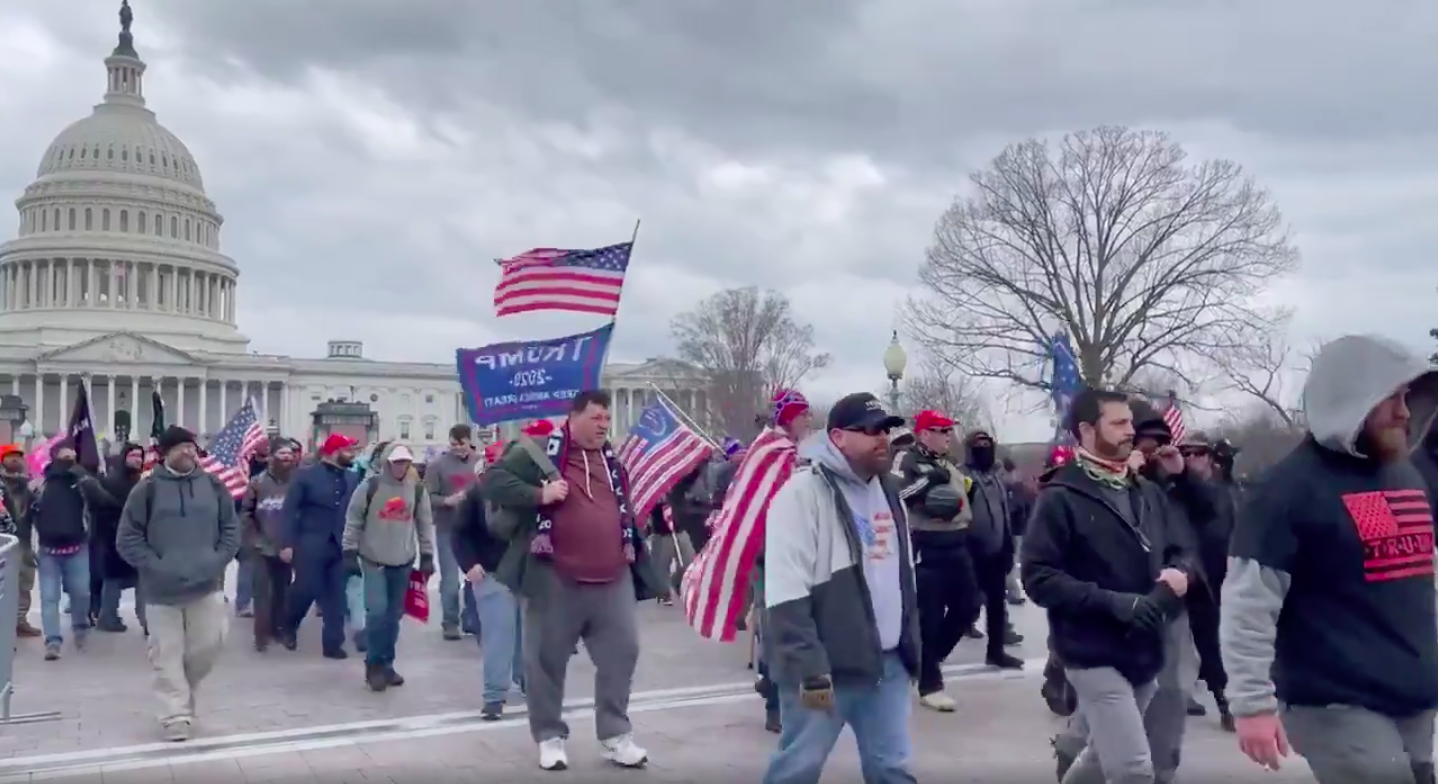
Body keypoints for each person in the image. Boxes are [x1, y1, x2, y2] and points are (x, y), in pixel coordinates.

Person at [1222, 335, 1438, 784]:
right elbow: (1248, 607)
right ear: (1353, 399)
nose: (1404, 411)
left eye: (1407, 398)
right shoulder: (1286, 493)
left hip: (1412, 694)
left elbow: (1405, 581)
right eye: (1391, 398)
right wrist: (1251, 704)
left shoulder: (1405, 475)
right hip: (1334, 700)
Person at [483, 389, 661, 772]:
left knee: (623, 651)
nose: (603, 426)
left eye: (606, 419)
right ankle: (550, 736)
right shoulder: (538, 452)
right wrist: (538, 493)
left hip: (612, 573)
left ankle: (615, 734)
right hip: (554, 576)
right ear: (574, 417)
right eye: (596, 418)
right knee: (545, 660)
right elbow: (493, 482)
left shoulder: (613, 460)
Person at [1021, 388, 1193, 784]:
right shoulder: (1060, 496)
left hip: (1145, 646)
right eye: (1118, 423)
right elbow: (1038, 576)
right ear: (1085, 430)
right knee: (1133, 768)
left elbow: (1182, 548)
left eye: (1129, 422)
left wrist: (1179, 575)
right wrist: (1117, 604)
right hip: (1091, 650)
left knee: (1101, 757)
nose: (1130, 431)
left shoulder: (1146, 491)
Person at [761, 392, 920, 784]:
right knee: (797, 768)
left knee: (892, 769)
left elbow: (902, 577)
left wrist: (911, 646)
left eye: (886, 428)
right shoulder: (801, 495)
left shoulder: (890, 491)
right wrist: (809, 670)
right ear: (837, 437)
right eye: (869, 430)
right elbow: (785, 592)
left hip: (887, 665)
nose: (882, 438)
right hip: (825, 669)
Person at [115, 426, 240, 742]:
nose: (188, 452)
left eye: (192, 446)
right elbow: (127, 537)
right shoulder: (148, 489)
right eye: (181, 447)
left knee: (208, 646)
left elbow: (230, 528)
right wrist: (155, 566)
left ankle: (181, 693)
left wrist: (217, 559)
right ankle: (175, 715)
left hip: (206, 584)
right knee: (167, 654)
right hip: (161, 591)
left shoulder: (213, 486)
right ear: (165, 453)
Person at [893, 408, 981, 712]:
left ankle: (926, 660)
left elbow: (962, 492)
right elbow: (901, 495)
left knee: (969, 605)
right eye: (942, 431)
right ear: (925, 433)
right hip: (927, 544)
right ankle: (930, 682)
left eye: (948, 431)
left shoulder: (948, 462)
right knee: (929, 615)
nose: (948, 436)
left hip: (957, 541)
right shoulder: (908, 460)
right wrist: (931, 479)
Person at [343, 443, 436, 691]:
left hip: (403, 560)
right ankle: (373, 665)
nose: (401, 467)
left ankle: (387, 663)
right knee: (376, 613)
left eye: (405, 462)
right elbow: (353, 519)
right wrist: (349, 550)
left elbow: (424, 523)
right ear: (387, 462)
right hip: (373, 559)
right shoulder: (370, 486)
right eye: (396, 462)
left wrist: (427, 555)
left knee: (394, 616)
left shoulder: (416, 490)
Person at [1172, 431, 1233, 731]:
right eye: (1187, 453)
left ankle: (1224, 699)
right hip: (1183, 575)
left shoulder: (1224, 491)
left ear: (1210, 458)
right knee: (1186, 644)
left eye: (1199, 453)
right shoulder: (1172, 490)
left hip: (1218, 574)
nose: (1193, 458)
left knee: (1213, 641)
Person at [281, 433, 362, 659]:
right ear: (334, 452)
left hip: (340, 544)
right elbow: (289, 511)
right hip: (310, 542)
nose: (352, 455)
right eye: (348, 451)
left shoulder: (353, 478)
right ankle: (289, 624)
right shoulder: (305, 476)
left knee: (336, 595)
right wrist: (287, 543)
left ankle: (333, 643)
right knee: (306, 588)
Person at [454, 469, 525, 720]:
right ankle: (494, 696)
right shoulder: (475, 495)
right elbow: (459, 532)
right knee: (498, 637)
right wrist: (469, 564)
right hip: (491, 572)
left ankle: (525, 677)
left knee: (527, 634)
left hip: (526, 573)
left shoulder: (529, 492)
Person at [962, 429, 1026, 665]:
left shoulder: (997, 477)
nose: (983, 448)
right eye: (978, 444)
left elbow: (1004, 511)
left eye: (987, 444)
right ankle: (934, 654)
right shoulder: (963, 476)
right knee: (965, 603)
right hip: (972, 549)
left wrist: (1008, 543)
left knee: (997, 605)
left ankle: (996, 651)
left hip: (998, 549)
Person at [28, 440, 92, 661]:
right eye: (65, 457)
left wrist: (85, 477)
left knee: (81, 592)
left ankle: (80, 628)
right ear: (54, 457)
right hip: (48, 551)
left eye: (72, 457)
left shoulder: (82, 481)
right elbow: (28, 514)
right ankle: (53, 641)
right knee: (49, 597)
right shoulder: (41, 484)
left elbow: (100, 501)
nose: (69, 461)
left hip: (77, 547)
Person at [79, 443, 146, 634]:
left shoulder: (137, 481)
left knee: (135, 580)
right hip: (112, 539)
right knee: (115, 581)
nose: (137, 459)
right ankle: (110, 617)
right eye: (133, 455)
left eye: (140, 456)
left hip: (132, 537)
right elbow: (102, 510)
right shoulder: (116, 481)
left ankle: (137, 618)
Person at [424, 424, 482, 640]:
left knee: (474, 575)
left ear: (469, 441)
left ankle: (471, 617)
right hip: (448, 527)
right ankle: (450, 621)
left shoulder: (480, 462)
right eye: (453, 444)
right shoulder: (437, 465)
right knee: (449, 579)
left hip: (475, 529)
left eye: (461, 443)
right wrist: (446, 501)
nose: (457, 448)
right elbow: (427, 496)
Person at [240, 439, 298, 652]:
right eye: (282, 453)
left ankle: (279, 630)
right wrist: (254, 541)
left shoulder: (298, 482)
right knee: (262, 592)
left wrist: (292, 544)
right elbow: (246, 514)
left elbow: (302, 515)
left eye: (290, 454)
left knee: (283, 591)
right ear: (272, 456)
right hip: (262, 547)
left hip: (287, 548)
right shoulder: (257, 482)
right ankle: (261, 635)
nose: (286, 457)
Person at [1, 445, 40, 638]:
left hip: (23, 540)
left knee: (25, 580)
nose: (16, 460)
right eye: (11, 457)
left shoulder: (27, 487)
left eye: (18, 457)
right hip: (3, 542)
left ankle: (19, 620)